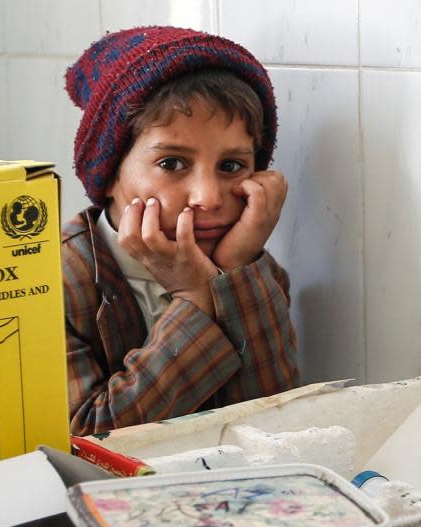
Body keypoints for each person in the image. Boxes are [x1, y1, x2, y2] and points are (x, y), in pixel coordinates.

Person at [62, 26, 300, 435]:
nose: (207, 198)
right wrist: (195, 297)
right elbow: (91, 437)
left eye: (231, 166)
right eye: (171, 163)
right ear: (109, 176)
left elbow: (277, 424)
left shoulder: (254, 270)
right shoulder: (52, 282)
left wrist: (232, 273)